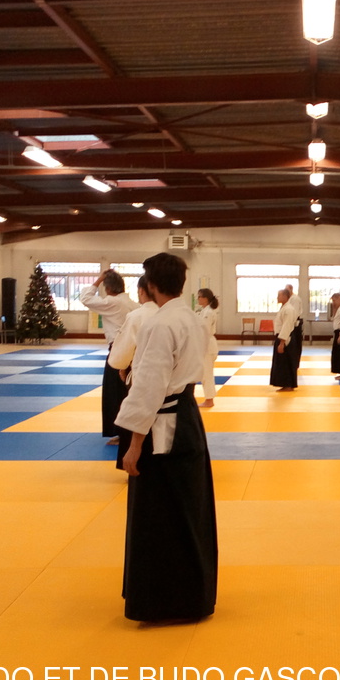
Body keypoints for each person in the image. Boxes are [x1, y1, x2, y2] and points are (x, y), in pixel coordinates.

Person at [116, 252, 218, 623]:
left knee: (159, 512)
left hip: (163, 425)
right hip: (187, 417)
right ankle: (194, 596)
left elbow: (148, 386)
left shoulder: (159, 325)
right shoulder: (191, 318)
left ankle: (164, 600)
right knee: (189, 508)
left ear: (151, 284)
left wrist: (134, 445)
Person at [80, 269, 140, 445]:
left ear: (108, 288)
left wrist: (98, 280)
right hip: (134, 351)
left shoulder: (113, 302)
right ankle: (129, 431)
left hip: (119, 350)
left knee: (115, 393)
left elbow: (85, 299)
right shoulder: (132, 303)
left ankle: (122, 432)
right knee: (128, 391)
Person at [107, 275, 157, 469]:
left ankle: (134, 466)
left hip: (141, 378)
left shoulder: (137, 316)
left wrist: (123, 366)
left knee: (137, 421)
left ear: (142, 291)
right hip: (174, 387)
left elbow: (120, 356)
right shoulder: (175, 315)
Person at [269, 289, 299, 391]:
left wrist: (282, 342)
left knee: (286, 362)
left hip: (285, 338)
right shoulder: (284, 308)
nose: (277, 297)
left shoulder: (289, 309)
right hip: (282, 336)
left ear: (285, 297)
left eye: (279, 295)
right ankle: (285, 384)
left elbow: (287, 326)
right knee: (282, 362)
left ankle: (288, 384)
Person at [196, 288, 219, 408]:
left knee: (207, 374)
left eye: (200, 296)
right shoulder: (204, 311)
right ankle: (209, 398)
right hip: (206, 344)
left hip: (207, 345)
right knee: (205, 374)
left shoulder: (208, 312)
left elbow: (204, 330)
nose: (198, 299)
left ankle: (209, 400)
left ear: (206, 298)